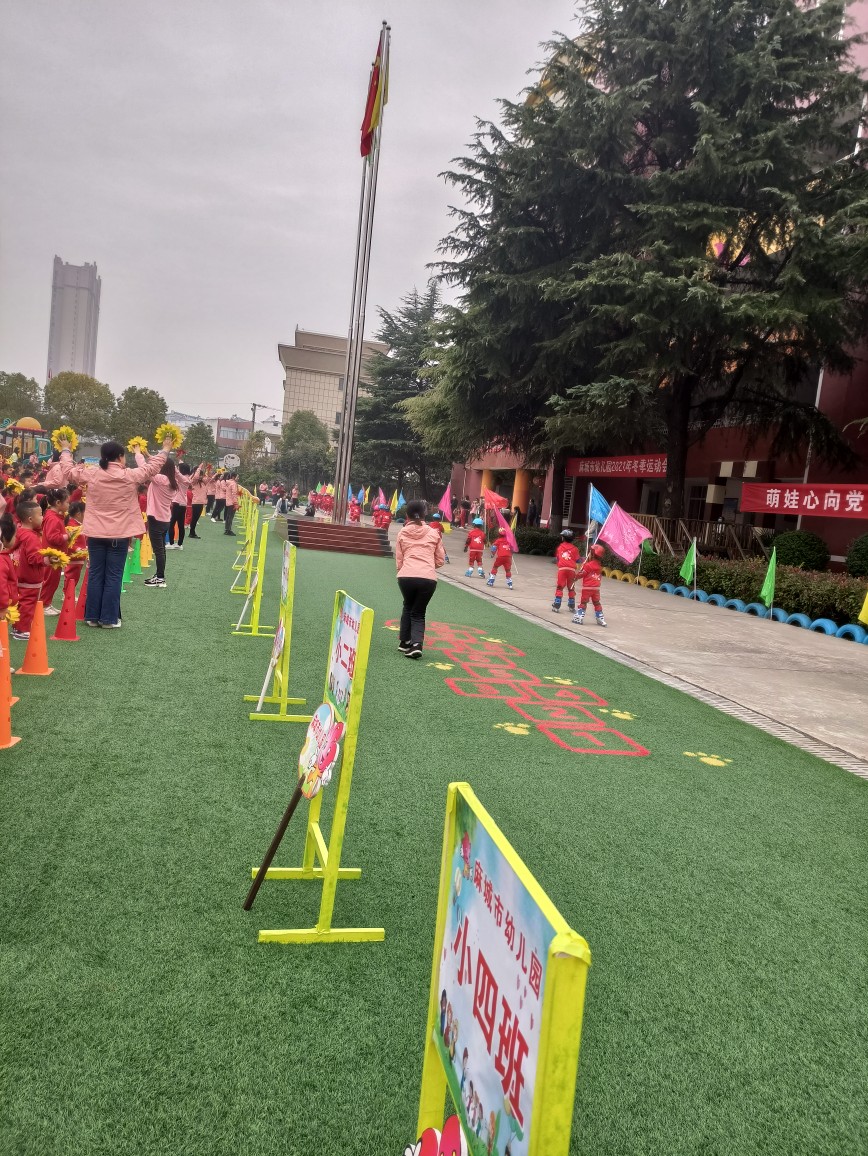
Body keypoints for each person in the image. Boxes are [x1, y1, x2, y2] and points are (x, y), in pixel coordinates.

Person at [59, 436, 171, 625]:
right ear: (120, 457)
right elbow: (152, 467)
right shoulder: (130, 475)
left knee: (95, 574)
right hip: (119, 535)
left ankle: (92, 617)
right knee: (113, 576)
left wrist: (65, 449)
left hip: (95, 534)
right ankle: (109, 619)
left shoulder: (93, 473)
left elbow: (68, 471)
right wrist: (165, 449)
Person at [395, 498, 445, 659]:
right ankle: (416, 645)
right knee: (418, 612)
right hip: (427, 579)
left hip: (406, 576)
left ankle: (404, 642)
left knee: (407, 606)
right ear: (425, 514)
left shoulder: (402, 532)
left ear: (407, 515)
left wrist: (405, 569)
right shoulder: (434, 533)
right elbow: (440, 560)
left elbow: (399, 559)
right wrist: (427, 566)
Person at [12, 500, 52, 639]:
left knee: (21, 603)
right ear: (30, 519)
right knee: (28, 604)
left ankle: (17, 627)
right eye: (40, 514)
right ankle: (22, 630)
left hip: (18, 574)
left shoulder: (19, 532)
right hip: (30, 577)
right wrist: (48, 559)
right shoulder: (31, 537)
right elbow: (34, 558)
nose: (42, 517)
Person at [139, 454, 178, 585]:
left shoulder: (161, 479)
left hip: (156, 518)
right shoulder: (171, 481)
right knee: (161, 549)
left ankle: (160, 578)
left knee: (159, 550)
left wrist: (138, 454)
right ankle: (159, 575)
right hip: (164, 519)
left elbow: (145, 469)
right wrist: (149, 456)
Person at [40, 487, 70, 615]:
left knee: (53, 581)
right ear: (58, 503)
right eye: (67, 502)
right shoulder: (53, 518)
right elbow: (53, 537)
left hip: (55, 556)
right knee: (50, 580)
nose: (69, 504)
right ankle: (43, 605)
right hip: (52, 556)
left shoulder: (55, 516)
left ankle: (47, 603)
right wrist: (66, 536)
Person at [572, 544, 607, 626]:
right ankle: (600, 618)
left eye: (590, 553)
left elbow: (582, 574)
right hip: (596, 589)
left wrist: (576, 577)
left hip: (587, 588)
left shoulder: (588, 565)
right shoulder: (599, 566)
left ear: (593, 554)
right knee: (597, 603)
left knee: (584, 602)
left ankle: (579, 617)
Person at [552, 528, 581, 612]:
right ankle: (571, 606)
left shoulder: (560, 547)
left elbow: (558, 558)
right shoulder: (575, 549)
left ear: (563, 538)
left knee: (560, 587)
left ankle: (557, 605)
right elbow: (578, 560)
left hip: (562, 569)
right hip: (571, 570)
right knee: (571, 587)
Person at [0, 514, 19, 627]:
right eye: (14, 536)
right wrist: (2, 607)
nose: (16, 539)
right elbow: (1, 585)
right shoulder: (1, 560)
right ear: (4, 539)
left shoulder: (5, 556)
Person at [189, 464, 207, 538]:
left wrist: (208, 470)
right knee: (194, 518)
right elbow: (196, 477)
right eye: (200, 475)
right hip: (196, 502)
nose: (200, 476)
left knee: (196, 519)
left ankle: (192, 532)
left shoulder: (203, 482)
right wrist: (199, 468)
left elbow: (209, 478)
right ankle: (191, 532)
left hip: (201, 502)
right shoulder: (194, 482)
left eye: (201, 475)